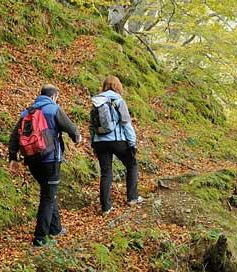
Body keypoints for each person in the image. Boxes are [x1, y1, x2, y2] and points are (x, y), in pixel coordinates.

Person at [8, 84, 81, 247]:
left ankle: (55, 229)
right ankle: (40, 238)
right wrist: (77, 137)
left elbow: (14, 136)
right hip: (50, 159)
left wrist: (13, 158)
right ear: (54, 96)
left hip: (33, 161)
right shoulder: (53, 109)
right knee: (48, 197)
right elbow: (71, 127)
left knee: (49, 192)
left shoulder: (27, 112)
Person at [90, 75, 142, 214]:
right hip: (117, 140)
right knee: (132, 164)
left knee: (106, 172)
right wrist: (132, 143)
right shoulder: (118, 100)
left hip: (100, 142)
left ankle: (106, 207)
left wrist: (93, 143)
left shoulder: (97, 101)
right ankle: (132, 198)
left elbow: (92, 125)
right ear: (117, 86)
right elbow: (126, 123)